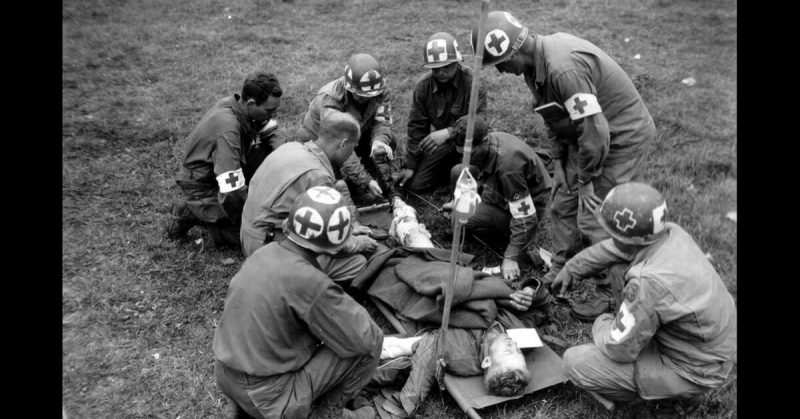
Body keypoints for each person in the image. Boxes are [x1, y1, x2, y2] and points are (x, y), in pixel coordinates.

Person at [471, 11, 656, 315]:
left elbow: (596, 132)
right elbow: (552, 116)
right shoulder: (535, 66)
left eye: (500, 64)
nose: (502, 72)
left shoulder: (562, 68)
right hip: (582, 136)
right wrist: (561, 164)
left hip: (619, 138)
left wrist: (585, 180)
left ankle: (608, 294)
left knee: (596, 217)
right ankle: (559, 266)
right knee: (562, 201)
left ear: (514, 50)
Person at [551, 182, 736, 414]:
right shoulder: (670, 232)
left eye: (612, 232)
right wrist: (572, 268)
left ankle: (678, 397)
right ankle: (634, 324)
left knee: (574, 362)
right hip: (710, 342)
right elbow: (615, 249)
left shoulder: (647, 283)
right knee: (618, 267)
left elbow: (618, 350)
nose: (608, 236)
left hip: (696, 369)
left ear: (632, 239)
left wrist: (603, 323)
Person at [213, 186, 384, 419]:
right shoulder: (312, 283)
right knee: (372, 341)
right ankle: (327, 414)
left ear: (288, 226)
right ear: (337, 245)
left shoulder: (266, 252)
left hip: (227, 375)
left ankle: (242, 408)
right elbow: (363, 337)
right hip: (269, 397)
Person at [240, 111, 377, 287]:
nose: (352, 152)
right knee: (357, 263)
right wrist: (356, 243)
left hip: (249, 234)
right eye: (353, 147)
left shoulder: (291, 147)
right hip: (266, 246)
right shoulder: (318, 176)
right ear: (343, 144)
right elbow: (328, 239)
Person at [165, 70, 285, 247]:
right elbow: (231, 189)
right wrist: (251, 214)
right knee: (258, 237)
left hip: (221, 170)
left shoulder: (240, 105)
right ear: (251, 103)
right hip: (205, 187)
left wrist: (286, 156)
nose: (272, 115)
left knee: (270, 152)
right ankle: (191, 212)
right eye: (269, 110)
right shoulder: (228, 130)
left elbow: (272, 131)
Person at [444, 116, 552, 281]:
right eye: (461, 150)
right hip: (500, 190)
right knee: (458, 171)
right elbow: (484, 172)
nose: (464, 155)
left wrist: (511, 257)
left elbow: (526, 217)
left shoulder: (508, 168)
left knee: (459, 216)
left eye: (469, 152)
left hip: (528, 206)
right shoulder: (489, 144)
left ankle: (492, 226)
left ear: (484, 141)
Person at [302, 53, 399, 205]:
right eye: (361, 95)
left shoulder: (380, 88)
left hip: (358, 129)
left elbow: (382, 123)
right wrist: (365, 180)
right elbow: (340, 146)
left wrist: (379, 143)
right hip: (326, 141)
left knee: (389, 141)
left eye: (370, 95)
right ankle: (356, 182)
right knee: (335, 183)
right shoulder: (331, 100)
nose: (366, 99)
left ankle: (372, 177)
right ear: (349, 88)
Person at [397, 32, 487, 192]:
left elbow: (479, 122)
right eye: (436, 68)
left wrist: (449, 132)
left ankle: (466, 175)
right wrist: (411, 165)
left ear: (457, 62)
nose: (441, 72)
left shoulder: (473, 83)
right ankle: (450, 173)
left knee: (473, 175)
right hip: (444, 145)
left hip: (471, 144)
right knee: (416, 185)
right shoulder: (423, 87)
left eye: (447, 66)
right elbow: (417, 127)